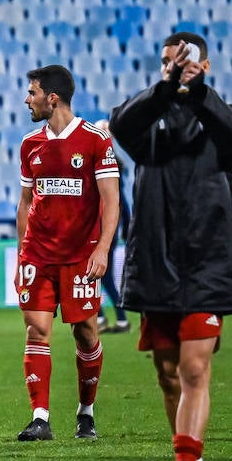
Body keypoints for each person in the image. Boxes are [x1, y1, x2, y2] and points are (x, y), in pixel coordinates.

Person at [108, 32, 232, 461]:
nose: (175, 67)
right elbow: (121, 124)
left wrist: (200, 92)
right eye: (168, 61)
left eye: (186, 62)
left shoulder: (223, 120)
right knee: (168, 372)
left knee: (194, 368)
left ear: (206, 67)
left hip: (208, 262)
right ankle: (192, 459)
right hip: (157, 264)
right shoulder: (147, 123)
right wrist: (167, 87)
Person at [13, 65, 120, 443]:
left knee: (86, 334)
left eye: (33, 92)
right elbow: (25, 203)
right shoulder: (30, 144)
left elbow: (111, 201)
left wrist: (103, 250)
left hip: (80, 256)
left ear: (52, 97)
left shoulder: (95, 140)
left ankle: (85, 412)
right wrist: (22, 254)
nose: (28, 99)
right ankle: (39, 417)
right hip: (38, 257)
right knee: (36, 330)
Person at [92, 118, 132, 334]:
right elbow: (122, 202)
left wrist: (125, 226)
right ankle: (103, 318)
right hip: (107, 228)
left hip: (102, 229)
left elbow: (119, 201)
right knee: (98, 275)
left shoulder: (106, 165)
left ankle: (115, 318)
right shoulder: (111, 163)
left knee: (99, 275)